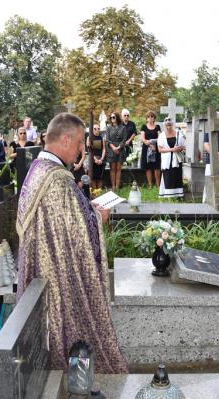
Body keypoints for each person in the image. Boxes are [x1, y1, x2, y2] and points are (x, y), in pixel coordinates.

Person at [16, 113, 128, 373]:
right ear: (65, 139)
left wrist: (87, 208)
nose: (81, 150)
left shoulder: (38, 169)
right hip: (58, 279)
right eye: (79, 143)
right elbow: (78, 236)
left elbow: (62, 222)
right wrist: (98, 218)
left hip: (42, 272)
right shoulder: (57, 179)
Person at [157, 118, 185, 198]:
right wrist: (171, 149)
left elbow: (183, 146)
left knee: (177, 175)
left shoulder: (178, 134)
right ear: (164, 126)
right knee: (168, 176)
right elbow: (160, 149)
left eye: (169, 125)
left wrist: (179, 148)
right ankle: (168, 195)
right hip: (167, 159)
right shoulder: (161, 136)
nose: (168, 127)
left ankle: (178, 195)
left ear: (172, 125)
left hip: (177, 159)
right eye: (166, 125)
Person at [139, 110, 162, 187]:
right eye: (148, 116)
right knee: (148, 167)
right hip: (146, 149)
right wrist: (150, 145)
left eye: (152, 116)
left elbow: (160, 138)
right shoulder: (144, 127)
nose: (150, 118)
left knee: (157, 167)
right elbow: (143, 139)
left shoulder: (157, 127)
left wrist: (153, 144)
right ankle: (150, 185)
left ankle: (158, 185)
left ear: (154, 118)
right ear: (146, 118)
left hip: (156, 149)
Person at [105, 112, 127, 189]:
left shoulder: (123, 127)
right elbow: (107, 140)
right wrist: (113, 147)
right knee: (112, 169)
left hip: (120, 150)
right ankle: (113, 186)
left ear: (117, 117)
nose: (112, 119)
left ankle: (117, 186)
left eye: (113, 117)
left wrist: (118, 147)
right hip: (111, 150)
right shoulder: (108, 128)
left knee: (118, 169)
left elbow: (124, 140)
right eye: (111, 118)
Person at [86, 124, 106, 189]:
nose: (97, 130)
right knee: (93, 177)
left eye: (98, 128)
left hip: (100, 159)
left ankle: (99, 193)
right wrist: (95, 159)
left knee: (100, 177)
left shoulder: (101, 138)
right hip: (93, 160)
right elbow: (89, 150)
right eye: (95, 128)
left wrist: (101, 159)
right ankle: (94, 194)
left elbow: (104, 149)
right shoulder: (89, 138)